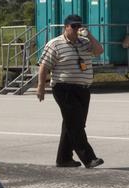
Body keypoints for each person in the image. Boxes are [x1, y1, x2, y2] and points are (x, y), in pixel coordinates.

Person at [37, 15, 105, 168]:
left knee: (73, 123)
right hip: (64, 88)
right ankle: (89, 158)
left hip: (83, 89)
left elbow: (99, 50)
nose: (76, 29)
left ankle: (63, 159)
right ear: (65, 27)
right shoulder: (55, 44)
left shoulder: (85, 43)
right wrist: (41, 87)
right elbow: (44, 66)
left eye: (79, 26)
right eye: (73, 26)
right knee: (76, 124)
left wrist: (90, 35)